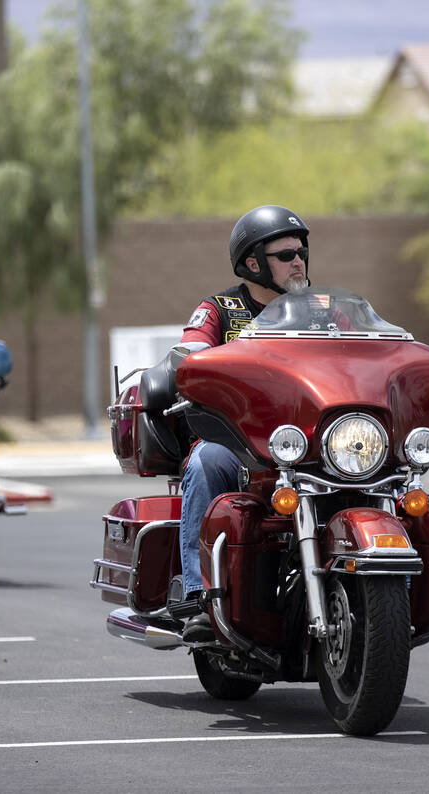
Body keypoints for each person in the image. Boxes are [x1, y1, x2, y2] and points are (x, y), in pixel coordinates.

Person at [176, 205, 310, 641]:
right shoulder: (220, 309)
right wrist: (197, 358)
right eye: (286, 253)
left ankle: (394, 587)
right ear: (253, 263)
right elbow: (190, 354)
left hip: (312, 440)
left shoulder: (323, 310)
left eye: (301, 251)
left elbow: (368, 351)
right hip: (239, 441)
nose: (299, 260)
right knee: (204, 464)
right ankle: (200, 600)